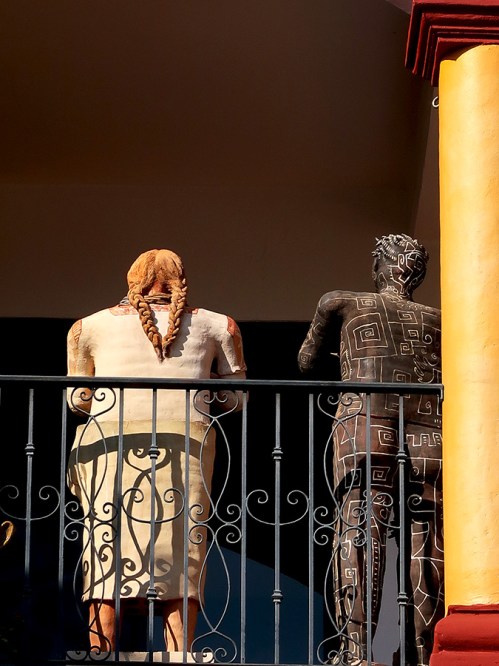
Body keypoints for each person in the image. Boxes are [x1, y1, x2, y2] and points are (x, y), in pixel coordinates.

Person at [67, 249, 247, 653]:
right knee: (183, 550)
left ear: (133, 280)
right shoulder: (219, 325)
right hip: (187, 447)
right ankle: (180, 652)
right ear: (180, 280)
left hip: (111, 449)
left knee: (107, 549)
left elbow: (78, 399)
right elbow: (235, 400)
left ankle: (100, 650)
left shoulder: (87, 327)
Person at [298, 234, 443, 666]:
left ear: (380, 266)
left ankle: (356, 649)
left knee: (360, 527)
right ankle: (426, 649)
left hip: (366, 422)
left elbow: (306, 361)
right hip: (430, 430)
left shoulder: (341, 302)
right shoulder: (440, 320)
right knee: (426, 536)